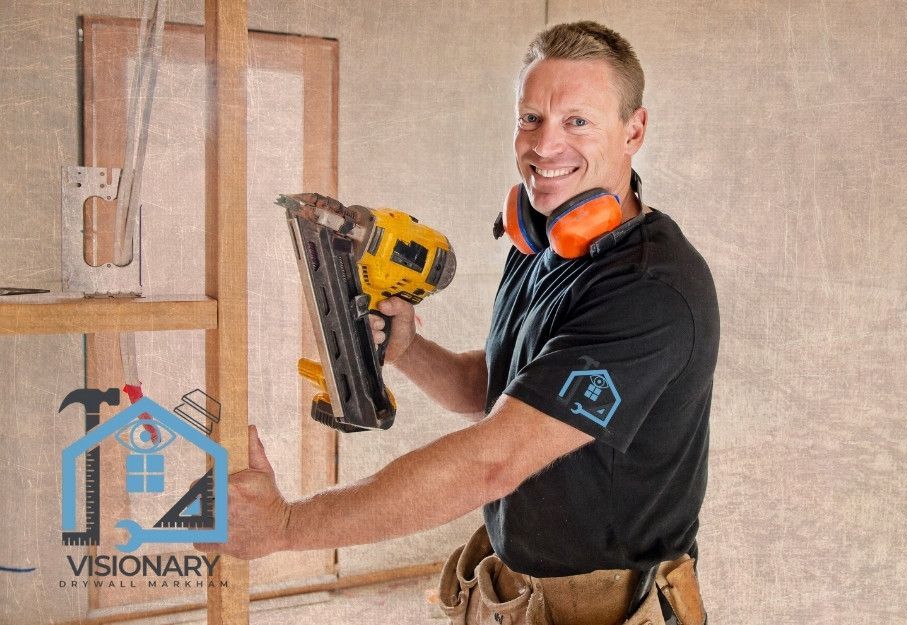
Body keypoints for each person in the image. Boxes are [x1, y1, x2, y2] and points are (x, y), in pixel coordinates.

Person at [195, 20, 719, 625]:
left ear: (635, 130)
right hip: (517, 589)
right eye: (531, 119)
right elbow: (494, 390)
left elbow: (492, 460)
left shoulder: (649, 289)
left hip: (605, 607)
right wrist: (411, 349)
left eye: (578, 121)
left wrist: (285, 526)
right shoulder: (545, 242)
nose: (545, 146)